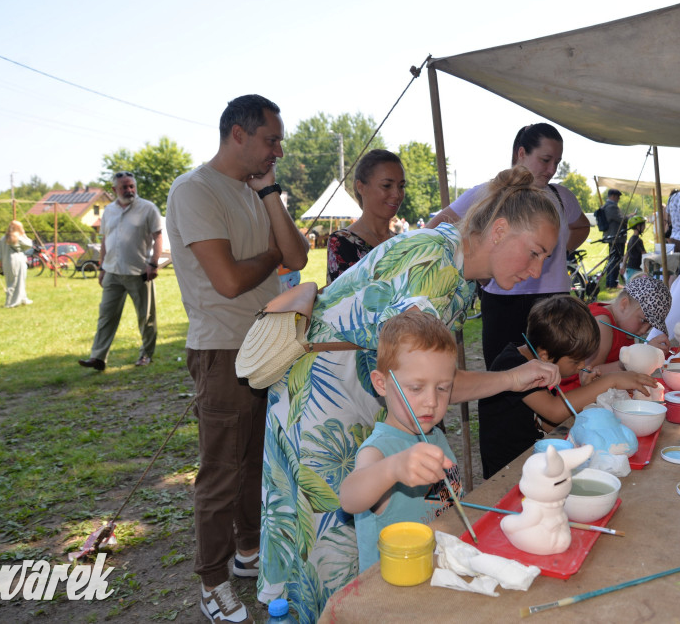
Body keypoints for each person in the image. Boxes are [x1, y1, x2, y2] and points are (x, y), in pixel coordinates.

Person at [260, 166, 563, 623]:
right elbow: (421, 375)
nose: (538, 269)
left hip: (359, 399)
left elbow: (429, 376)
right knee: (328, 554)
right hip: (321, 407)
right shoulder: (433, 267)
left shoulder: (460, 272)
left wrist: (512, 377)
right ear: (499, 231)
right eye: (535, 253)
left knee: (368, 537)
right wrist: (511, 378)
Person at [165, 94, 309, 624]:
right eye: (271, 140)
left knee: (255, 462)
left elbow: (297, 257)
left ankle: (249, 553)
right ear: (238, 134)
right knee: (221, 470)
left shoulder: (258, 190)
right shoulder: (194, 190)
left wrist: (270, 194)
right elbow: (227, 281)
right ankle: (212, 581)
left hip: (267, 342)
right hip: (222, 346)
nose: (277, 149)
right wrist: (272, 253)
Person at [426, 123, 590, 368]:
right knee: (503, 373)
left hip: (553, 298)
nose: (551, 169)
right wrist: (476, 269)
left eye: (557, 162)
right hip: (505, 300)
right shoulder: (490, 192)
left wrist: (552, 253)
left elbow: (581, 226)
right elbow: (435, 228)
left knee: (551, 373)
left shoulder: (561, 196)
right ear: (521, 154)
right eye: (545, 159)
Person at [480, 295, 657, 479]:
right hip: (508, 470)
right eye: (576, 360)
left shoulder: (544, 363)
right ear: (545, 355)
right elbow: (553, 411)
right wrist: (610, 380)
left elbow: (549, 424)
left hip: (536, 457)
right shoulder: (513, 366)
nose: (581, 366)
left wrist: (584, 389)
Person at [339, 311, 461, 572]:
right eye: (416, 388)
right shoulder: (378, 450)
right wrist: (394, 468)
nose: (432, 401)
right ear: (381, 384)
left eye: (442, 388)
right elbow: (349, 498)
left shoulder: (436, 436)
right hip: (391, 589)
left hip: (439, 571)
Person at [78, 171, 162, 371]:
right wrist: (101, 268)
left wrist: (154, 263)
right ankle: (98, 357)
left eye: (132, 186)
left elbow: (158, 236)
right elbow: (105, 239)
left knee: (146, 316)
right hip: (112, 271)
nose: (130, 190)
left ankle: (146, 354)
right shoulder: (108, 211)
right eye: (124, 187)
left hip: (139, 271)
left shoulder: (148, 208)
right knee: (106, 316)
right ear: (114, 189)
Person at [327, 149, 406, 283]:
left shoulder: (403, 243)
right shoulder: (342, 242)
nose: (397, 194)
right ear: (361, 187)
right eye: (387, 186)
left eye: (401, 186)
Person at [0, 220, 33, 308]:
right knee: (18, 281)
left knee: (11, 281)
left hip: (7, 261)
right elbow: (29, 244)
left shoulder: (2, 238)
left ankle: (23, 298)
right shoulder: (18, 237)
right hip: (18, 260)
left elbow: (0, 253)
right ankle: (11, 303)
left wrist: (0, 263)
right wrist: (24, 234)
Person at [603, 188, 625, 288]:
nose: (618, 199)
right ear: (613, 196)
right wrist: (631, 216)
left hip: (612, 237)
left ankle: (611, 282)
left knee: (613, 260)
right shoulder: (611, 207)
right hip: (615, 237)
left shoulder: (607, 206)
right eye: (617, 197)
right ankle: (613, 283)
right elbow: (620, 219)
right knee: (615, 261)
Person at [624, 215, 648, 282]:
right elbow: (644, 254)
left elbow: (627, 253)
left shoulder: (631, 239)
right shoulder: (638, 240)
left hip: (630, 267)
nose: (644, 227)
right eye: (643, 225)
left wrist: (623, 265)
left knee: (629, 285)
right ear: (638, 226)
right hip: (636, 269)